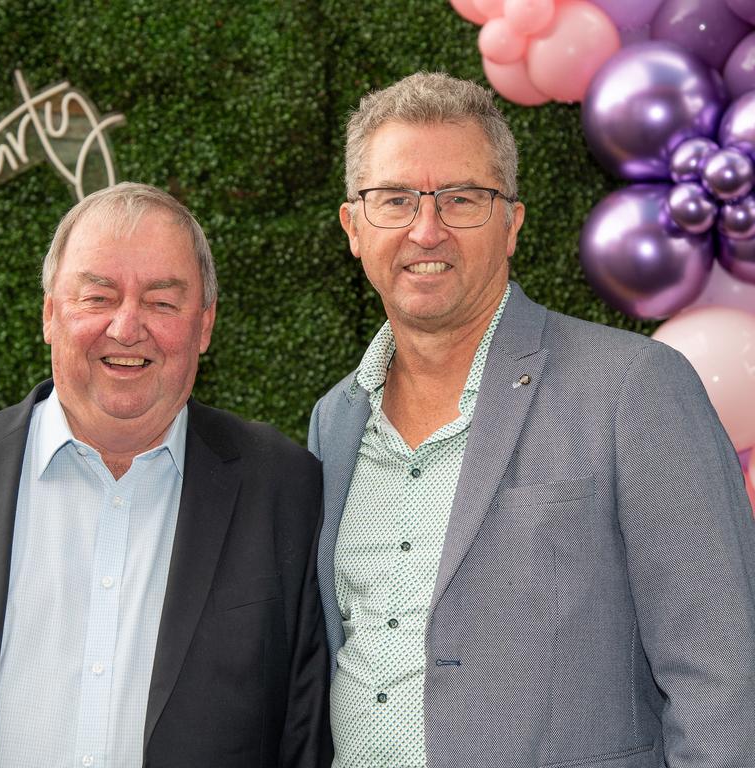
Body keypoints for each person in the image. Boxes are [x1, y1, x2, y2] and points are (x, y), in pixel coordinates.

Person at [0, 182, 331, 768]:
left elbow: (306, 740)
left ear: (204, 326)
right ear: (49, 313)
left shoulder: (285, 494)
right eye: (98, 297)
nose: (127, 327)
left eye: (162, 302)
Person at [309, 72, 755, 768]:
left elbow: (724, 677)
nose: (427, 229)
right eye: (394, 200)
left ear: (512, 224)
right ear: (354, 228)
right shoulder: (334, 421)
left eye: (461, 199)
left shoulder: (635, 388)